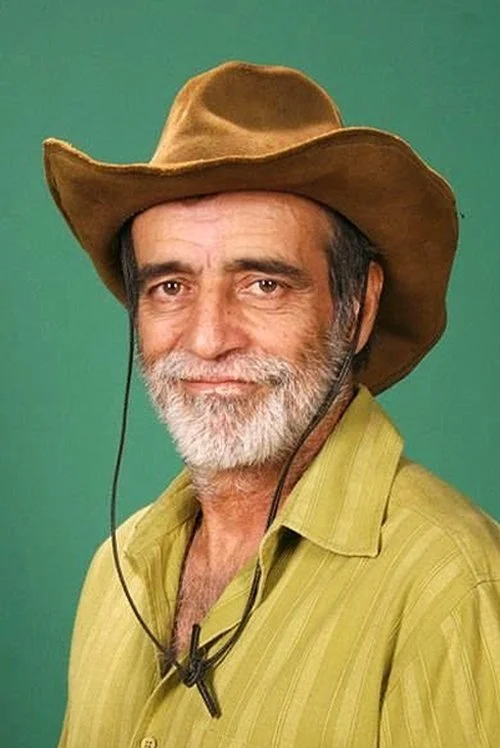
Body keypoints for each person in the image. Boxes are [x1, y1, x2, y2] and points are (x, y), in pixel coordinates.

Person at [44, 61, 500, 747]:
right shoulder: (115, 573)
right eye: (170, 287)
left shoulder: (451, 589)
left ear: (358, 307)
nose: (207, 339)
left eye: (263, 284)